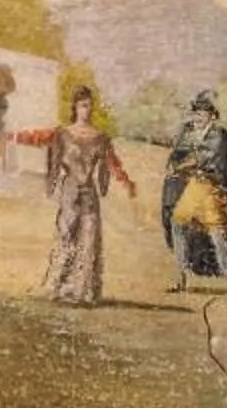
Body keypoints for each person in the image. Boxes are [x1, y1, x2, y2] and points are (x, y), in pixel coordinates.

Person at [16, 86, 138, 303]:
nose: (87, 110)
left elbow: (108, 165)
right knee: (66, 236)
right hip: (70, 190)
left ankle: (84, 291)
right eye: (83, 105)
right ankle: (58, 287)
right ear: (75, 107)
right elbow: (53, 162)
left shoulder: (100, 137)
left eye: (90, 105)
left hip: (89, 193)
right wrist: (51, 185)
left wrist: (115, 183)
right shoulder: (63, 134)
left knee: (89, 239)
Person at [161, 89, 227, 298]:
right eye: (195, 113)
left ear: (212, 116)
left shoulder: (219, 136)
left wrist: (180, 166)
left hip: (210, 189)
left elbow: (203, 159)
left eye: (202, 113)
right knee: (177, 223)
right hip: (193, 187)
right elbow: (178, 153)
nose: (197, 117)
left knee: (217, 234)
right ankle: (182, 277)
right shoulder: (189, 133)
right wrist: (174, 161)